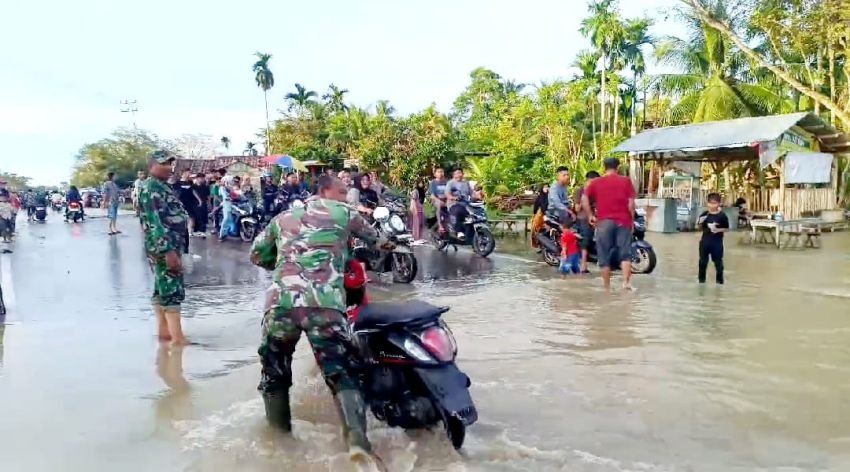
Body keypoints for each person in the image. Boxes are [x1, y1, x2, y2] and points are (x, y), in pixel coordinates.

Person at [249, 175, 383, 459]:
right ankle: (358, 442)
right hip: (324, 305)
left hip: (280, 305)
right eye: (342, 191)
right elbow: (379, 241)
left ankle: (279, 444)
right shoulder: (345, 213)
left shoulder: (283, 217)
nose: (346, 197)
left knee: (274, 374)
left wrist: (287, 265)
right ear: (324, 191)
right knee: (342, 372)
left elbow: (257, 255)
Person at [138, 150, 190, 345]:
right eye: (165, 164)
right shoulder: (151, 188)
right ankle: (178, 339)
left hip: (170, 244)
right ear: (151, 165)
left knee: (161, 288)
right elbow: (154, 223)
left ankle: (164, 333)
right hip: (165, 247)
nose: (170, 168)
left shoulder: (160, 186)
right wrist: (168, 252)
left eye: (171, 163)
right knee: (171, 289)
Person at [582, 157, 636, 291]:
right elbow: (631, 204)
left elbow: (584, 198)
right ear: (617, 167)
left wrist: (590, 216)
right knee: (625, 254)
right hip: (623, 221)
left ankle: (606, 287)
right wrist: (632, 220)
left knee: (604, 255)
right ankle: (625, 284)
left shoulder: (596, 182)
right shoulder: (626, 181)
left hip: (604, 222)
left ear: (604, 167)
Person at [698, 193, 729, 284]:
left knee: (718, 264)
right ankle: (701, 282)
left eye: (714, 203)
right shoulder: (705, 214)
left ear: (719, 203)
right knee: (702, 264)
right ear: (707, 203)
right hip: (704, 242)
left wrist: (717, 230)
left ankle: (719, 284)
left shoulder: (722, 216)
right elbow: (699, 227)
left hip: (717, 243)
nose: (712, 205)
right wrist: (700, 222)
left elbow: (727, 229)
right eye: (710, 203)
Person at [574, 171, 599, 273]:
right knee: (586, 240)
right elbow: (577, 208)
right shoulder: (579, 191)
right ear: (589, 180)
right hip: (583, 218)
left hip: (594, 217)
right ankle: (583, 265)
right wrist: (584, 199)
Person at [174, 170, 199, 250]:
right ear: (183, 173)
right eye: (188, 173)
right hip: (181, 202)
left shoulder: (190, 183)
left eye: (190, 173)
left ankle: (190, 231)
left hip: (190, 202)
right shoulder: (177, 183)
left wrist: (199, 199)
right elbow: (175, 193)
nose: (189, 174)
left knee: (192, 216)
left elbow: (193, 191)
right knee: (183, 217)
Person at [445, 168, 472, 239]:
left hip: (465, 205)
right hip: (454, 204)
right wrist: (454, 198)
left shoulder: (466, 183)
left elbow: (472, 194)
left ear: (463, 174)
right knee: (458, 211)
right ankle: (459, 231)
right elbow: (447, 194)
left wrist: (479, 197)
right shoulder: (450, 183)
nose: (458, 175)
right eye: (456, 173)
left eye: (460, 173)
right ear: (453, 175)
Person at [428, 168, 448, 233]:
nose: (440, 173)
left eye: (442, 172)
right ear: (435, 174)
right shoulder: (433, 183)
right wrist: (439, 201)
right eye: (438, 172)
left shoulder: (446, 182)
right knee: (439, 206)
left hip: (446, 201)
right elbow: (432, 196)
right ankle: (440, 226)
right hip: (436, 201)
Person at [530, 184, 549, 250]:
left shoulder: (550, 196)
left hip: (549, 215)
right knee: (536, 229)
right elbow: (536, 207)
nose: (546, 188)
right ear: (542, 188)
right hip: (541, 216)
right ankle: (539, 245)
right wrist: (535, 214)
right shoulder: (540, 197)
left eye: (547, 187)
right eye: (545, 187)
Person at [218, 176, 235, 241]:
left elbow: (235, 194)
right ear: (226, 181)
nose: (232, 182)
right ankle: (221, 235)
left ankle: (229, 232)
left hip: (232, 205)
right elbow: (224, 196)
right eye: (230, 181)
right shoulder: (222, 188)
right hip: (226, 205)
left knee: (231, 219)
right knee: (226, 219)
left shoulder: (230, 188)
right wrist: (227, 198)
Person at [193, 174, 210, 238]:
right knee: (196, 217)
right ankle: (196, 230)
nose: (202, 179)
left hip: (204, 203)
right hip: (195, 203)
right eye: (201, 178)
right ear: (197, 178)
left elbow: (208, 196)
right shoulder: (193, 186)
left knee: (204, 217)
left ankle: (203, 231)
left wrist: (209, 204)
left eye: (203, 178)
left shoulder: (205, 186)